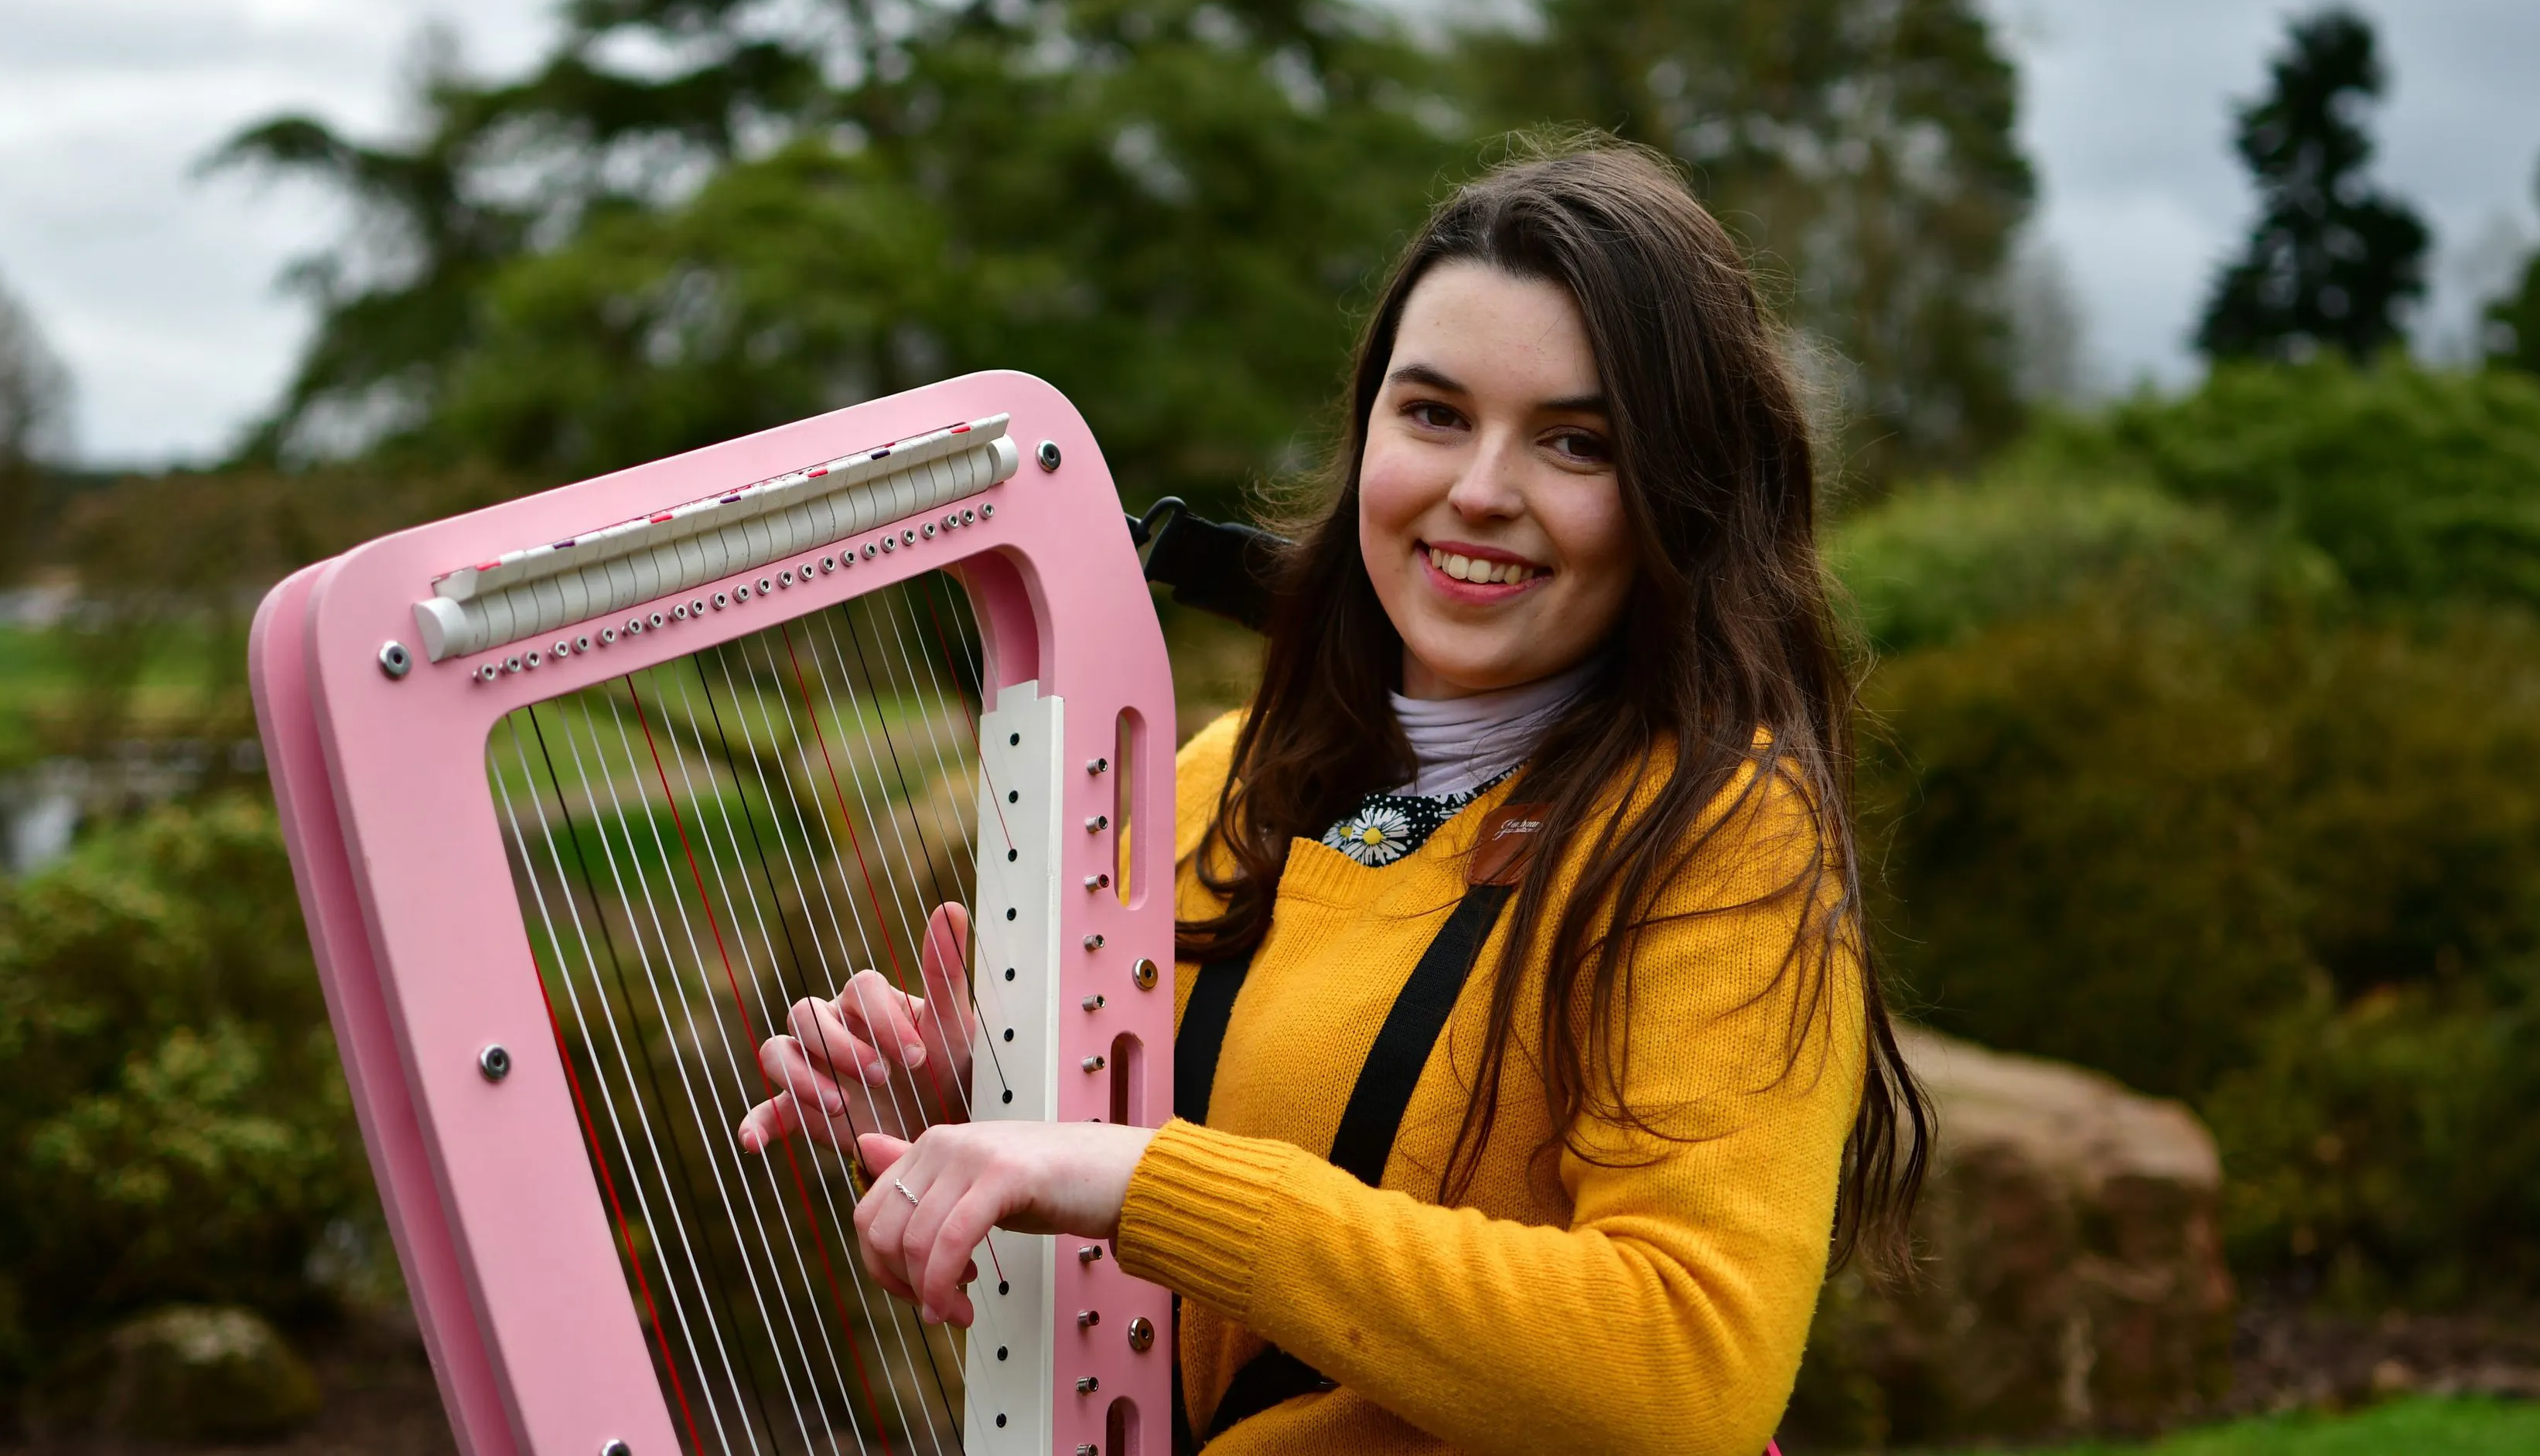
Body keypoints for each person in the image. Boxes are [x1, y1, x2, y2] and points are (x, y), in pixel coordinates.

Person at [737, 141, 1928, 1454]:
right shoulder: (1219, 785)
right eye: (1432, 414)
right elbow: (1158, 1339)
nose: (1479, 490)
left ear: (1682, 499)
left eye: (1574, 442)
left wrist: (1133, 1175)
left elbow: (1687, 1371)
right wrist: (993, 1132)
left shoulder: (1713, 829)